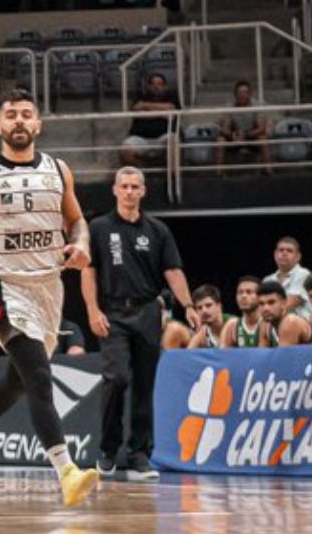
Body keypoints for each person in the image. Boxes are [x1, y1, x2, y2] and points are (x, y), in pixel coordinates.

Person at [0, 88, 101, 507]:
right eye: (10, 114)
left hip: (49, 287)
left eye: (26, 114)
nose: (18, 120)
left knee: (19, 380)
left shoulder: (58, 169)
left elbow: (77, 221)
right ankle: (66, 471)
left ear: (38, 125)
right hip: (4, 286)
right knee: (38, 377)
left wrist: (81, 243)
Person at [81, 166, 196, 481]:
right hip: (113, 312)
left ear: (143, 191)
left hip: (147, 312)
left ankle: (139, 454)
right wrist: (92, 310)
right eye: (125, 186)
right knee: (116, 378)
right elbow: (88, 271)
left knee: (145, 385)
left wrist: (187, 305)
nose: (130, 191)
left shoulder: (157, 230)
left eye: (135, 186)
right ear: (115, 190)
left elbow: (173, 271)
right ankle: (107, 450)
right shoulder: (100, 227)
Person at [120, 73, 180, 166]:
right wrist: (161, 113)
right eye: (153, 84)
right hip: (140, 137)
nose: (156, 87)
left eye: (160, 84)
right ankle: (141, 173)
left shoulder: (172, 96)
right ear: (148, 86)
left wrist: (145, 108)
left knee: (173, 142)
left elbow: (171, 107)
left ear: (165, 87)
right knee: (125, 151)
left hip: (164, 136)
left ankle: (172, 178)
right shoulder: (140, 96)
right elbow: (136, 108)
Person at [218, 80, 272, 168]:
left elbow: (262, 127)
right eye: (240, 93)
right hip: (235, 136)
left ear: (250, 94)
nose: (242, 95)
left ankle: (268, 170)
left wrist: (247, 135)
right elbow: (224, 126)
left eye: (245, 92)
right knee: (220, 141)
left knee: (264, 140)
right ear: (235, 94)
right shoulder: (229, 106)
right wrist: (232, 134)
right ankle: (219, 173)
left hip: (251, 136)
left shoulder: (257, 105)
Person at [265, 236, 312, 320]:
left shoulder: (303, 274)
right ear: (275, 254)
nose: (284, 253)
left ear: (298, 257)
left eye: (289, 251)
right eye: (281, 250)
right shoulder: (267, 280)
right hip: (275, 325)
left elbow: (290, 303)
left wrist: (266, 313)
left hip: (302, 326)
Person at [257, 280, 312, 346]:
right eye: (261, 304)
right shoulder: (265, 324)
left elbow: (283, 356)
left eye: (271, 302)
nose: (266, 308)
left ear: (284, 303)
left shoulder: (290, 322)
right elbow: (261, 355)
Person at [220, 276, 265, 348]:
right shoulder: (232, 325)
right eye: (240, 292)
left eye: (249, 292)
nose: (243, 296)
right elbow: (222, 356)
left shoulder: (268, 323)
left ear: (260, 297)